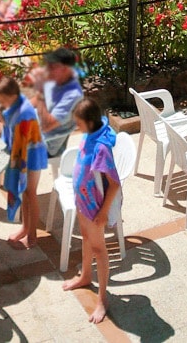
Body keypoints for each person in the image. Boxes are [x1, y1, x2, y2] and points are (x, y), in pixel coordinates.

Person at [61, 97, 120, 324]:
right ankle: (86, 276)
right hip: (83, 201)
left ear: (90, 122)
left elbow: (114, 184)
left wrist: (103, 212)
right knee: (86, 238)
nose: (77, 126)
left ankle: (103, 299)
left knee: (99, 249)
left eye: (79, 122)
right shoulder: (89, 135)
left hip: (95, 208)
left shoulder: (102, 148)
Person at [0, 75, 48, 247]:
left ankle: (32, 236)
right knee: (26, 194)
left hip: (32, 155)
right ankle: (25, 228)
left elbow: (19, 139)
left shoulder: (24, 113)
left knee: (30, 193)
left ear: (13, 96)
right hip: (26, 152)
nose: (2, 103)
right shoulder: (16, 106)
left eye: (3, 99)